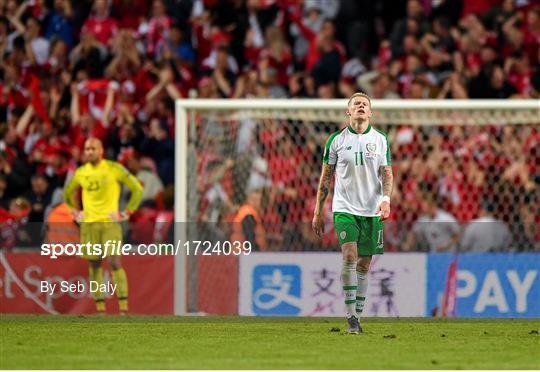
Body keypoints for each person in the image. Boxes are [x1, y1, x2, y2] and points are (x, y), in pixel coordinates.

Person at [312, 92, 393, 334]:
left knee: (365, 264)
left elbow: (387, 173)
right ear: (348, 112)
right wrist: (318, 211)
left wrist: (386, 200)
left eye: (365, 104)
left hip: (372, 211)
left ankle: (357, 315)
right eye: (355, 103)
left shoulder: (380, 139)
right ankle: (350, 318)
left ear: (370, 113)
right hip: (344, 209)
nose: (360, 105)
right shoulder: (336, 140)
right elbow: (325, 177)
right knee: (349, 256)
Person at [63, 138, 143, 314]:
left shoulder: (114, 169)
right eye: (87, 149)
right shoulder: (80, 173)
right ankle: (100, 309)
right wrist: (75, 212)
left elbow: (137, 189)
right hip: (89, 224)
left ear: (101, 151)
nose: (89, 151)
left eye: (93, 148)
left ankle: (123, 308)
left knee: (114, 262)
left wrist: (127, 212)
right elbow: (67, 193)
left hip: (109, 224)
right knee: (94, 265)